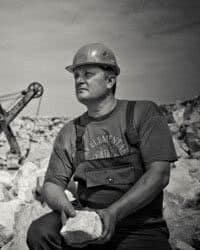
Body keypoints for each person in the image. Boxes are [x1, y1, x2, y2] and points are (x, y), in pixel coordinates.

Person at [27, 43, 177, 250]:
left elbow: (159, 174)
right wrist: (66, 209)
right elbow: (52, 184)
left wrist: (113, 213)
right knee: (40, 232)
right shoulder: (70, 131)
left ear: (110, 80)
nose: (79, 80)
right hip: (86, 218)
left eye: (87, 74)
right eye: (76, 75)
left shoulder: (142, 113)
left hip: (138, 227)